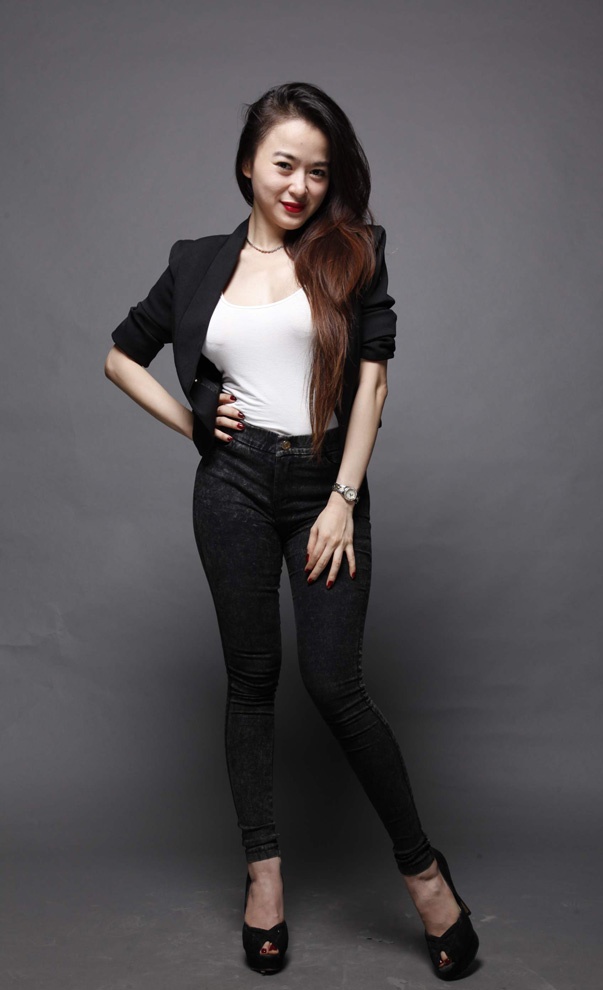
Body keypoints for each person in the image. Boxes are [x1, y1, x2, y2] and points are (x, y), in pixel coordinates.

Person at [104, 81, 479, 980]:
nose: (300, 185)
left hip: (323, 483)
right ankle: (263, 878)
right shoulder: (198, 263)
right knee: (251, 682)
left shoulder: (354, 252)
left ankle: (426, 877)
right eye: (284, 165)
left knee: (335, 685)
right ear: (248, 166)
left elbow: (374, 383)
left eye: (317, 170)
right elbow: (120, 354)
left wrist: (344, 496)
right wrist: (196, 425)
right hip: (231, 484)